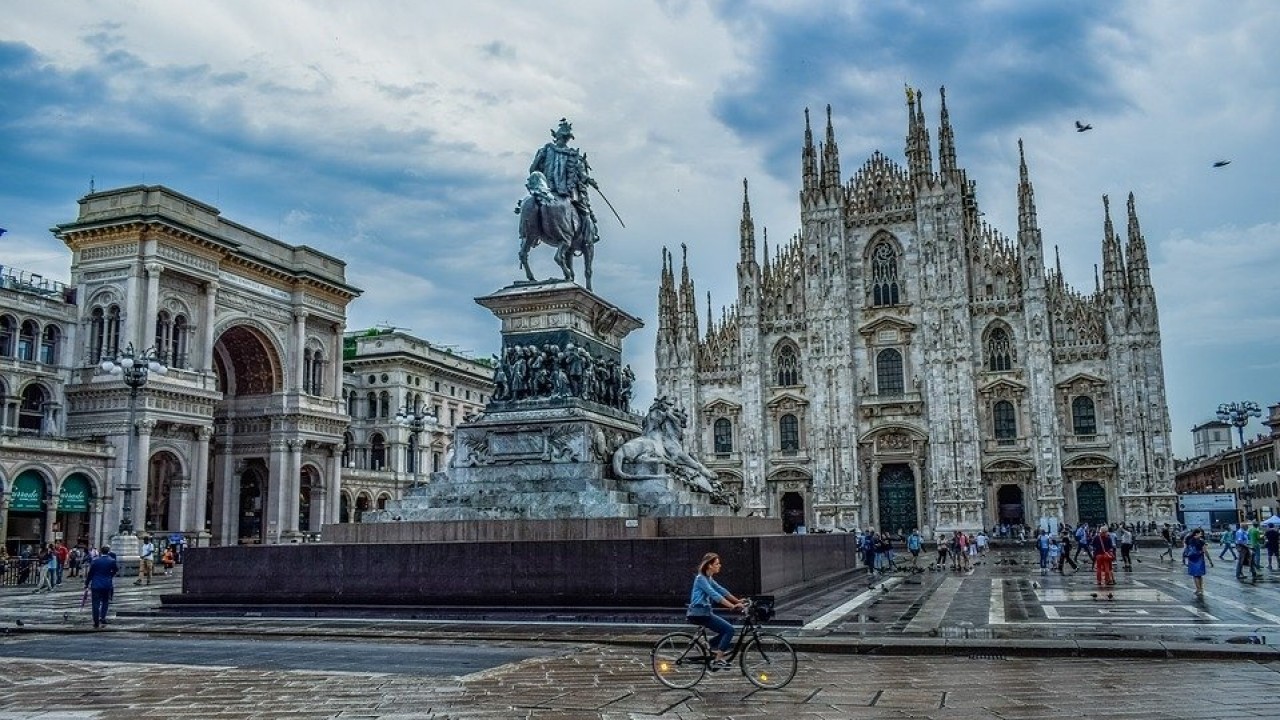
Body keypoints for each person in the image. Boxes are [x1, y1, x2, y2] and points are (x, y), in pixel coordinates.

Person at [528, 118, 600, 243]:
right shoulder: (570, 154)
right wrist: (590, 181)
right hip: (564, 192)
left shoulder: (547, 150)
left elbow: (533, 170)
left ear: (557, 136)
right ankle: (589, 238)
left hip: (547, 190)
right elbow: (582, 175)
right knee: (585, 212)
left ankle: (530, 236)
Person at [686, 552, 745, 670]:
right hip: (699, 613)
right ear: (709, 565)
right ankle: (718, 659)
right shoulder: (700, 579)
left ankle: (706, 645)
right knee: (729, 630)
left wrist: (737, 601)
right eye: (717, 563)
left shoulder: (708, 578)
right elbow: (715, 595)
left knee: (725, 630)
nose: (720, 565)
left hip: (705, 612)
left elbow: (721, 590)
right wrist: (731, 606)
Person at [84, 544, 120, 629]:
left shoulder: (95, 561)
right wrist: (110, 575)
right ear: (108, 551)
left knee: (95, 603)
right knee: (105, 601)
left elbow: (90, 573)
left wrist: (86, 584)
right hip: (107, 584)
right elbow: (116, 570)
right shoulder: (112, 561)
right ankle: (102, 617)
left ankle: (96, 621)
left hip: (96, 584)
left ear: (100, 551)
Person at [1184, 528, 1208, 595]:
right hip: (1200, 558)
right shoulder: (1201, 540)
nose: (1201, 534)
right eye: (1200, 533)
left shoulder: (1189, 539)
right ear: (1197, 533)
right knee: (1199, 575)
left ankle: (1198, 589)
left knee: (1195, 575)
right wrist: (1209, 559)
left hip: (1192, 559)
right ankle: (1201, 589)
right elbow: (1204, 550)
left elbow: (1186, 548)